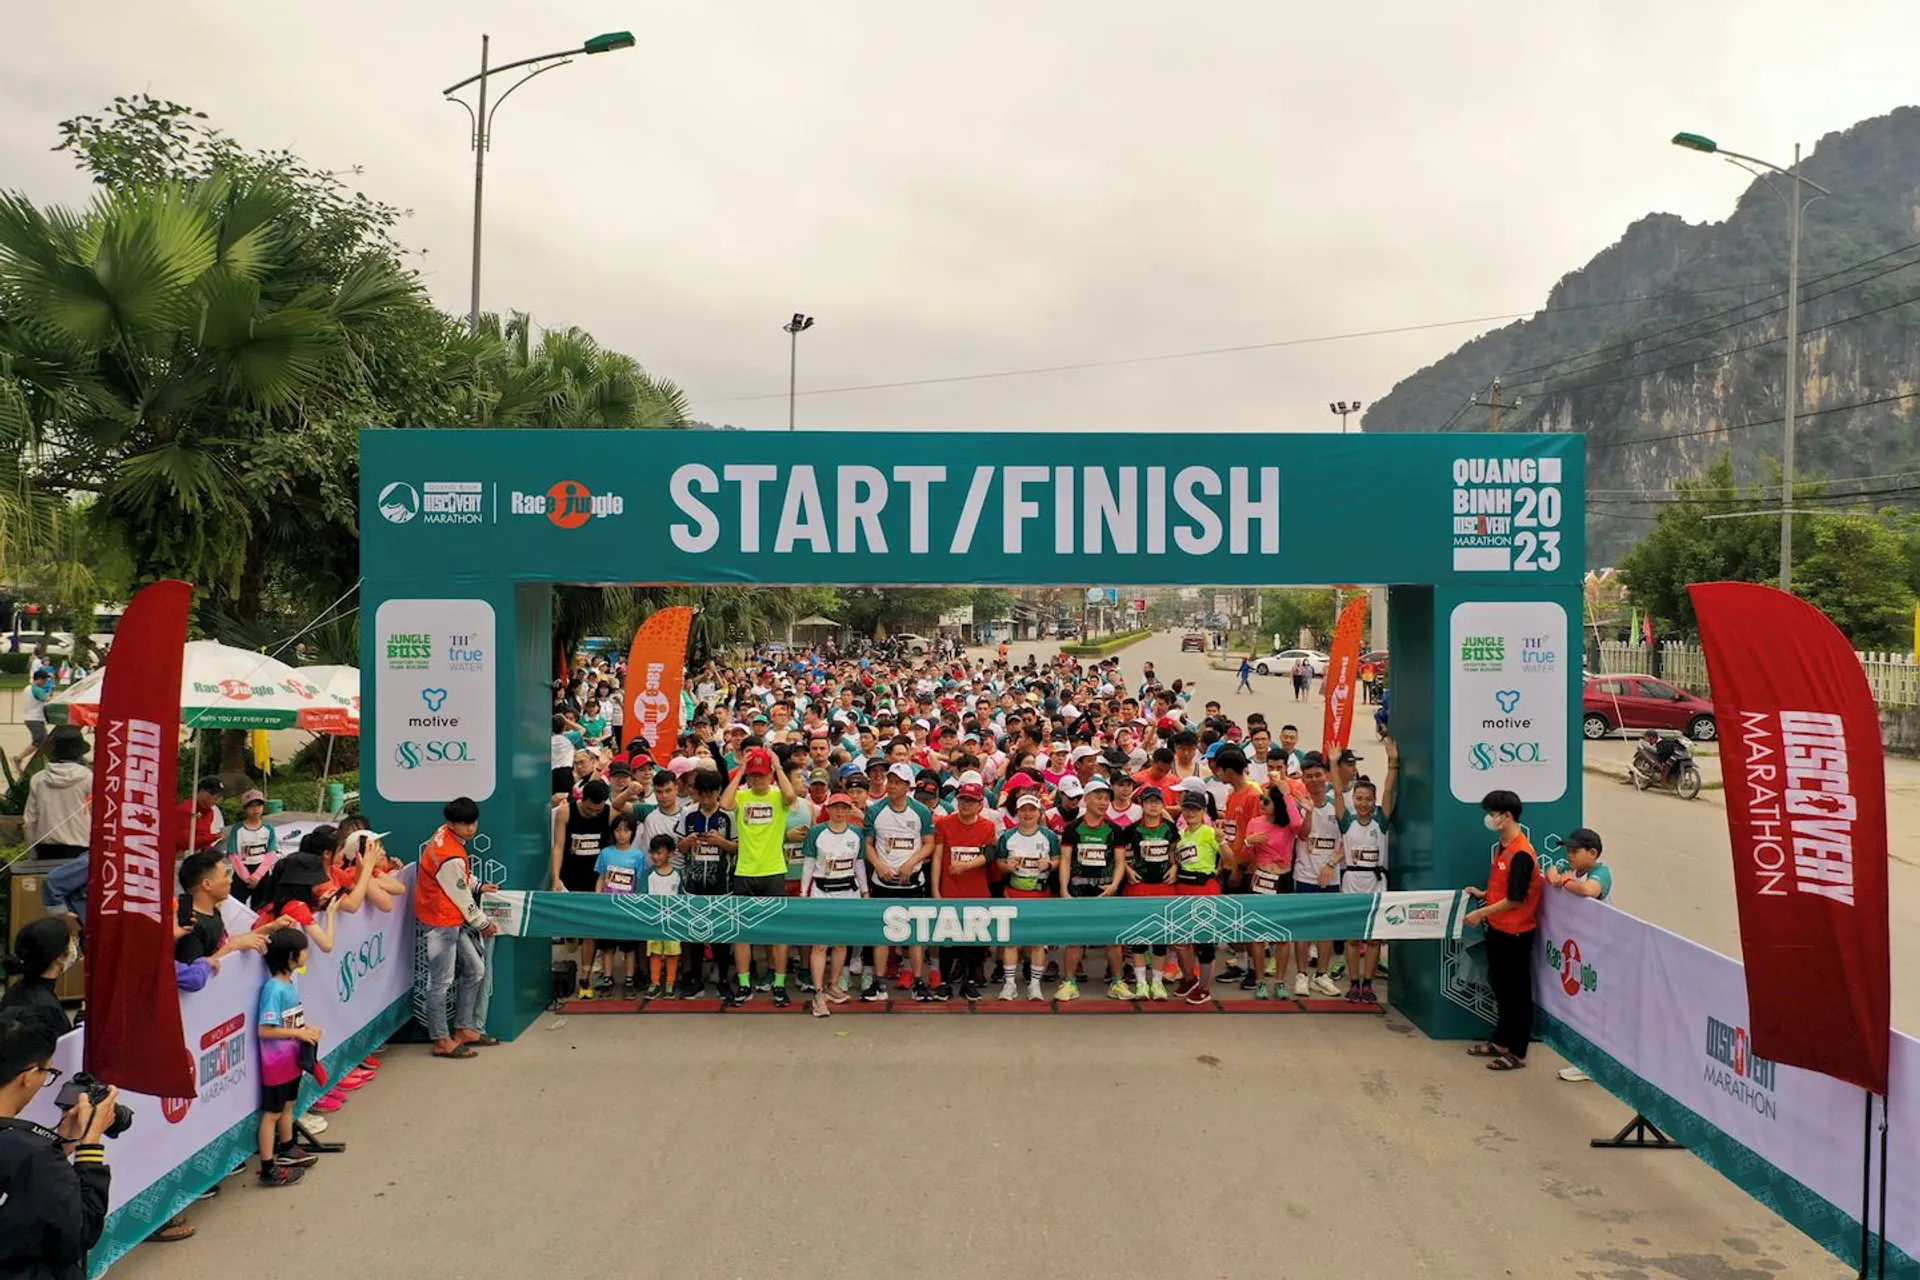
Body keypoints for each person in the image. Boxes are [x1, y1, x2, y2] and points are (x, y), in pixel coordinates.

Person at [0, 1008, 117, 1278]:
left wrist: (62, 1145)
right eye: (47, 1072)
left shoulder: (31, 1153)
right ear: (28, 1076)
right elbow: (79, 1231)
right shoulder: (32, 1154)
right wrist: (90, 1146)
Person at [1464, 789, 1542, 1072]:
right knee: (1500, 987)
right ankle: (1500, 1041)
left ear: (1506, 816)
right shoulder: (1502, 846)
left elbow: (1516, 898)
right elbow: (1502, 889)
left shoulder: (1522, 853)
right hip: (1498, 930)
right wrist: (1484, 894)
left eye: (1492, 814)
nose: (1489, 819)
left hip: (1517, 934)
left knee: (1517, 994)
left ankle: (1518, 1052)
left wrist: (1480, 913)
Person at [416, 797, 498, 1060]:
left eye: (473, 822)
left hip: (450, 916)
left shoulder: (444, 836)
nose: (471, 829)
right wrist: (484, 924)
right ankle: (441, 1039)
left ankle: (464, 1029)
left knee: (476, 970)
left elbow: (458, 880)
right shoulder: (448, 854)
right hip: (441, 920)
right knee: (440, 981)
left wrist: (478, 885)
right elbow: (461, 894)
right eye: (465, 825)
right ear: (452, 823)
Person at [720, 748, 799, 1007]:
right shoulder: (742, 796)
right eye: (754, 776)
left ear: (770, 775)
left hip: (773, 871)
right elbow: (725, 803)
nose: (757, 780)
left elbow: (791, 795)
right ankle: (744, 985)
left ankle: (778, 984)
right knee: (742, 933)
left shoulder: (778, 796)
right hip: (744, 871)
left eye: (761, 775)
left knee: (777, 933)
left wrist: (777, 766)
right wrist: (741, 769)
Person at [862, 762, 938, 1002]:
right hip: (883, 884)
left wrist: (911, 862)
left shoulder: (921, 812)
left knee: (914, 935)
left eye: (897, 782)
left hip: (913, 883)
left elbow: (929, 843)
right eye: (889, 781)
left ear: (908, 786)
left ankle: (918, 982)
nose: (891, 786)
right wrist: (879, 865)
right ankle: (879, 983)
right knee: (882, 936)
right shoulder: (875, 811)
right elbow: (869, 846)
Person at [1331, 738, 1397, 1003]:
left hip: (1375, 882)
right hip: (1351, 882)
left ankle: (1368, 984)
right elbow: (1336, 792)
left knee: (1373, 939)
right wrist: (1334, 762)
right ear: (1353, 800)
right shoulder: (1346, 821)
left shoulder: (1381, 820)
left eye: (1368, 799)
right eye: (1359, 799)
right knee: (1351, 938)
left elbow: (1388, 792)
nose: (1364, 803)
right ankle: (1354, 982)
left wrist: (1393, 763)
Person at [254, 928, 320, 1187]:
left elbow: (291, 1021)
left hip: (292, 1060)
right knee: (272, 1113)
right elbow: (265, 1030)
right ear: (292, 956)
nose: (307, 954)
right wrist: (298, 1033)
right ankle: (268, 1167)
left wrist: (306, 1031)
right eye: (304, 950)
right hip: (277, 1064)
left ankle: (288, 1147)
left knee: (289, 1104)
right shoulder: (273, 989)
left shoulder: (289, 984)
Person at [1057, 778, 1126, 1001]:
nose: (1103, 802)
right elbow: (1066, 861)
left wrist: (1114, 886)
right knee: (1075, 939)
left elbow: (1120, 862)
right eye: (1098, 797)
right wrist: (1064, 890)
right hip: (1078, 890)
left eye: (1107, 798)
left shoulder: (1115, 830)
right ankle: (1069, 982)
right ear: (1085, 799)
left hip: (1105, 890)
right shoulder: (1072, 829)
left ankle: (1117, 982)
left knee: (1113, 939)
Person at [799, 792, 867, 1016]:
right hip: (822, 892)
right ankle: (818, 992)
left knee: (840, 943)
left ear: (849, 810)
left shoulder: (857, 833)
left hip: (848, 893)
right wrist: (803, 893)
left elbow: (859, 865)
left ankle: (833, 985)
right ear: (828, 808)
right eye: (835, 807)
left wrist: (865, 892)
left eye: (844, 808)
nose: (839, 812)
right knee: (820, 944)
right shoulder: (817, 833)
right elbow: (809, 864)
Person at [930, 781, 997, 1000]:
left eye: (971, 801)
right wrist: (936, 891)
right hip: (950, 891)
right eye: (962, 799)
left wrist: (965, 866)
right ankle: (944, 982)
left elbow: (989, 856)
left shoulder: (987, 826)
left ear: (980, 804)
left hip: (977, 892)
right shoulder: (944, 824)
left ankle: (969, 981)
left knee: (974, 943)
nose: (966, 804)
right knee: (947, 942)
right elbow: (938, 857)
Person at [674, 770, 737, 997]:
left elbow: (737, 847)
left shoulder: (728, 816)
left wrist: (721, 842)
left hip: (721, 884)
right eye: (704, 795)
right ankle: (697, 979)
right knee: (696, 934)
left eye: (712, 795)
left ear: (718, 792)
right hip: (694, 884)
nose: (708, 800)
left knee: (721, 934)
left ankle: (722, 979)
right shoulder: (688, 814)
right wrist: (687, 843)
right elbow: (679, 847)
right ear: (697, 794)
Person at [552, 778, 616, 1000]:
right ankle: (569, 934)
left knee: (590, 930)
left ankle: (585, 978)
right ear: (582, 800)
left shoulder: (609, 814)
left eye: (598, 809)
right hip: (570, 877)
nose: (593, 813)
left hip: (595, 879)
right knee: (572, 929)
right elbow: (558, 846)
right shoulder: (565, 812)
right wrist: (556, 878)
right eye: (590, 809)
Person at [994, 794, 1058, 1001]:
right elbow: (1000, 863)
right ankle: (1010, 984)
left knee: (1038, 942)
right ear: (1017, 813)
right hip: (1015, 893)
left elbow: (1058, 859)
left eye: (1032, 810)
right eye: (1023, 810)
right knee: (1012, 941)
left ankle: (1035, 985)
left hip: (1041, 894)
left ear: (1039, 813)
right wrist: (1007, 866)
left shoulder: (1048, 836)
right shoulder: (1007, 836)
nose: (1028, 814)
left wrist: (1048, 865)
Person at [1242, 782, 1301, 1000]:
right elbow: (1245, 857)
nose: (1261, 804)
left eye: (1266, 801)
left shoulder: (1287, 826)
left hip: (1283, 879)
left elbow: (1298, 824)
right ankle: (1260, 981)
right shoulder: (1254, 822)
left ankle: (1280, 981)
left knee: (1282, 935)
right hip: (1261, 879)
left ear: (1277, 804)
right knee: (1258, 935)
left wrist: (1287, 797)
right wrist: (1249, 842)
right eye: (1261, 799)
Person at [593, 815, 646, 994]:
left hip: (628, 908)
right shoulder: (606, 853)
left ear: (632, 832)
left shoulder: (638, 856)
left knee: (629, 946)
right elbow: (601, 877)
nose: (622, 834)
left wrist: (636, 903)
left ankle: (629, 978)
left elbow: (638, 882)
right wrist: (599, 899)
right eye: (618, 830)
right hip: (608, 907)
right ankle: (607, 977)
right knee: (607, 945)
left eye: (626, 830)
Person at [22, 729, 89, 861]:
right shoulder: (89, 778)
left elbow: (29, 821)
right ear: (79, 754)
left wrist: (32, 853)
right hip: (81, 848)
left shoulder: (38, 779)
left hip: (45, 848)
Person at [0, 918, 75, 1033]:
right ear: (59, 957)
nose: (75, 945)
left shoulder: (14, 991)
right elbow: (65, 1047)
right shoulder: (47, 1011)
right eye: (71, 942)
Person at [223, 790, 280, 907]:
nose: (256, 809)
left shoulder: (268, 828)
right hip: (241, 873)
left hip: (261, 872)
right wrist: (246, 877)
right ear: (245, 808)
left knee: (262, 907)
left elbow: (271, 852)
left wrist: (258, 875)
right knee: (237, 906)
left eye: (259, 805)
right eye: (251, 806)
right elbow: (232, 854)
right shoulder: (237, 829)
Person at [643, 834, 683, 998]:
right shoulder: (648, 875)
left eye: (659, 853)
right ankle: (655, 982)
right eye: (653, 853)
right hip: (653, 921)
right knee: (655, 952)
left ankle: (670, 983)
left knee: (673, 952)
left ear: (670, 853)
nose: (655, 856)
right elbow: (641, 896)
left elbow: (682, 898)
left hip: (672, 922)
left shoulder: (677, 875)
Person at [1546, 828, 1612, 900]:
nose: (1569, 855)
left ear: (1593, 853)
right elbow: (1552, 868)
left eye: (1574, 851)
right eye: (1568, 851)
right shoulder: (1572, 868)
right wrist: (1555, 879)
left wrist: (1566, 882)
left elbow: (1588, 890)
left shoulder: (1602, 871)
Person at [11, 668, 53, 767]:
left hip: (30, 717)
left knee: (43, 741)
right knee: (39, 741)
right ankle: (19, 757)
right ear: (39, 679)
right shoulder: (38, 690)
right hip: (36, 719)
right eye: (44, 680)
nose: (45, 682)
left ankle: (46, 761)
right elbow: (48, 700)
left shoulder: (28, 688)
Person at [176, 777, 226, 855]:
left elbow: (204, 841)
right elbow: (185, 842)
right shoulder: (186, 810)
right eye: (215, 796)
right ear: (202, 792)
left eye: (220, 797)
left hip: (198, 855)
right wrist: (215, 837)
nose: (217, 800)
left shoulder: (209, 812)